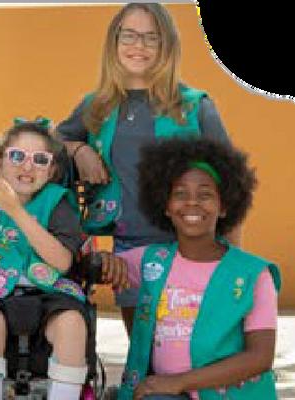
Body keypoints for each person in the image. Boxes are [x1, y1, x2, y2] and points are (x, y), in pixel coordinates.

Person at [56, 2, 235, 335]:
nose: (139, 45)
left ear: (167, 46)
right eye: (130, 35)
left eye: (151, 38)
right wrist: (79, 149)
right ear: (114, 41)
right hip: (129, 252)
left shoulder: (194, 106)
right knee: (143, 354)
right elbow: (50, 142)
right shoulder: (97, 107)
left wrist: (232, 264)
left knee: (190, 351)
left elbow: (232, 187)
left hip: (191, 247)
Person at [0, 120, 126, 400]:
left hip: (49, 291)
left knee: (73, 323)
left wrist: (14, 210)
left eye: (40, 160)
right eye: (17, 156)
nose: (27, 167)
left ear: (51, 171)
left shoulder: (56, 202)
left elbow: (62, 263)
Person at [116, 138, 280, 399]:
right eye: (180, 194)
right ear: (166, 206)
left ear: (224, 206)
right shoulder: (152, 260)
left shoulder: (253, 274)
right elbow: (101, 266)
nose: (192, 202)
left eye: (205, 195)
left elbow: (260, 357)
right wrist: (104, 263)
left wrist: (180, 382)